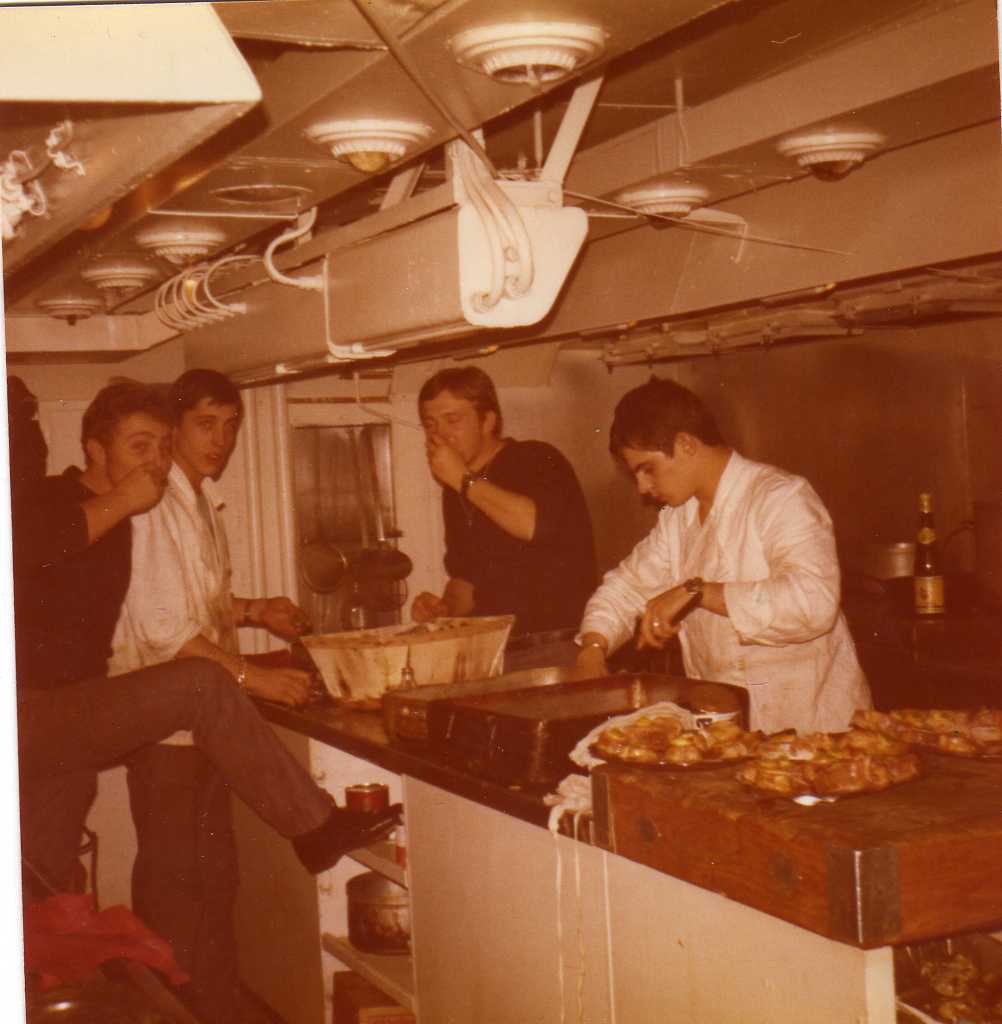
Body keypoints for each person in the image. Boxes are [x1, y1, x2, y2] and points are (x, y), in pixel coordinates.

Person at [9, 380, 398, 906]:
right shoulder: (47, 498)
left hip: (75, 716)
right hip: (31, 710)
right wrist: (124, 500)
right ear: (95, 450)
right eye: (139, 446)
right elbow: (31, 546)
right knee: (202, 684)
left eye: (162, 447)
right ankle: (316, 827)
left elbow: (170, 602)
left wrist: (252, 610)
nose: (156, 462)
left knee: (41, 885)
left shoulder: (127, 516)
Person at [107, 368, 314, 1022]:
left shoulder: (197, 501)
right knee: (175, 880)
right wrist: (253, 677)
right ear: (175, 428)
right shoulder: (153, 505)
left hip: (203, 726)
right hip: (164, 730)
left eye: (230, 426)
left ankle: (214, 1004)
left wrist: (255, 611)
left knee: (214, 874)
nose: (221, 440)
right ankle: (171, 1011)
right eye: (206, 425)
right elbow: (166, 632)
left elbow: (202, 604)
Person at [575, 377, 870, 735]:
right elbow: (627, 586)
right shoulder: (678, 519)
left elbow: (813, 602)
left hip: (817, 731)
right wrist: (593, 647)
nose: (642, 488)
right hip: (729, 729)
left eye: (647, 469)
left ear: (685, 444)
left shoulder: (780, 496)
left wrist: (699, 592)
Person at [412, 366, 596, 638]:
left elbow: (535, 525)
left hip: (557, 640)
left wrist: (462, 480)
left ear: (487, 421)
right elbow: (466, 581)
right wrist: (444, 609)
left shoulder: (536, 458)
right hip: (498, 643)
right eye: (430, 424)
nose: (439, 435)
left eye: (452, 420)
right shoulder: (456, 489)